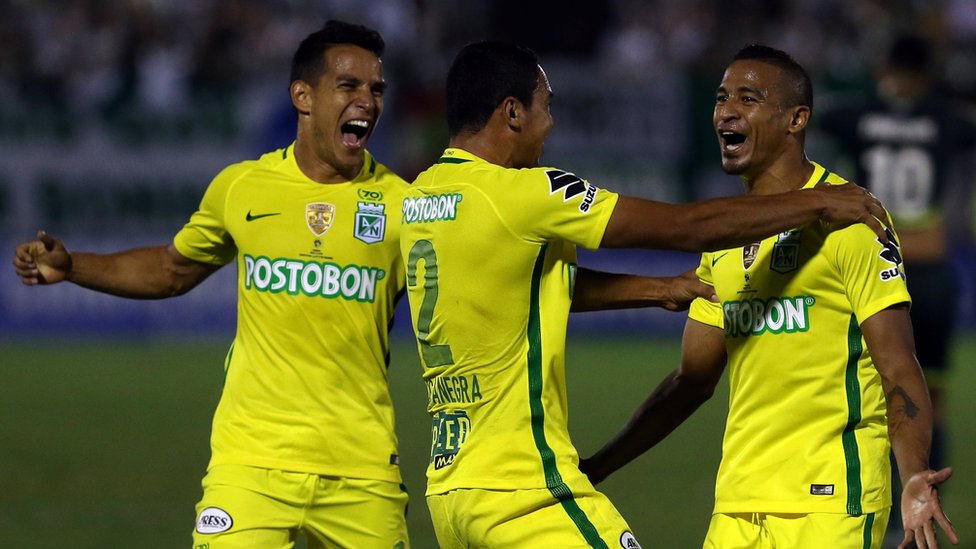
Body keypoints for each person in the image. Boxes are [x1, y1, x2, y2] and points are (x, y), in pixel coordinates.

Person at [397, 40, 890, 548]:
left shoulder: (419, 200)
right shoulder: (523, 192)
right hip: (523, 488)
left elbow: (521, 286)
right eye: (546, 106)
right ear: (513, 113)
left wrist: (659, 289)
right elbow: (689, 227)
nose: (551, 124)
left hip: (450, 492)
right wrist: (818, 204)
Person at [13, 20, 412, 549]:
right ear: (303, 96)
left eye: (376, 89)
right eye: (349, 86)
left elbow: (469, 289)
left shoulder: (405, 206)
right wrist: (75, 266)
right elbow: (171, 270)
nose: (367, 100)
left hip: (362, 467)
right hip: (250, 462)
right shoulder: (242, 187)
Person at [579, 45, 959, 549]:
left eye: (748, 98)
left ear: (796, 118)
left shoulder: (851, 221)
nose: (727, 111)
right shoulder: (726, 239)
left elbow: (898, 366)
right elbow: (692, 381)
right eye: (720, 98)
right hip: (739, 505)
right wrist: (596, 467)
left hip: (830, 504)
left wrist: (912, 472)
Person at [819, 32, 976, 477]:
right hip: (931, 267)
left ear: (884, 68)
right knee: (934, 395)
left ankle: (884, 512)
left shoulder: (858, 116)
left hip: (876, 265)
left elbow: (811, 119)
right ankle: (929, 505)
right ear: (927, 74)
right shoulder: (948, 120)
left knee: (879, 390)